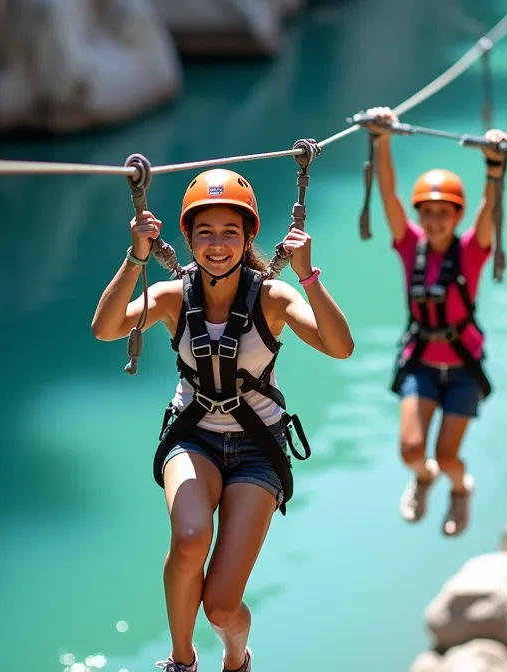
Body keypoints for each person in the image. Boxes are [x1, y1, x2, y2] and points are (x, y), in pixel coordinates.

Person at [90, 168, 354, 672]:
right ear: (187, 238)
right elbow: (106, 328)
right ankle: (182, 660)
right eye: (205, 232)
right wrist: (135, 257)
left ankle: (236, 658)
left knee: (222, 607)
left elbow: (340, 347)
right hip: (194, 437)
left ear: (248, 237)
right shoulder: (174, 295)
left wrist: (308, 276)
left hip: (258, 448)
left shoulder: (272, 298)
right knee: (190, 538)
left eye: (230, 232)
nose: (217, 244)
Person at [359, 106, 507, 538]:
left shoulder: (472, 251)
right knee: (411, 451)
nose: (435, 221)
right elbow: (389, 197)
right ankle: (422, 478)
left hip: (462, 367)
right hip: (422, 361)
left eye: (444, 212)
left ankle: (460, 488)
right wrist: (382, 140)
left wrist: (494, 166)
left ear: (458, 216)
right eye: (427, 212)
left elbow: (490, 208)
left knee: (448, 458)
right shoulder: (410, 245)